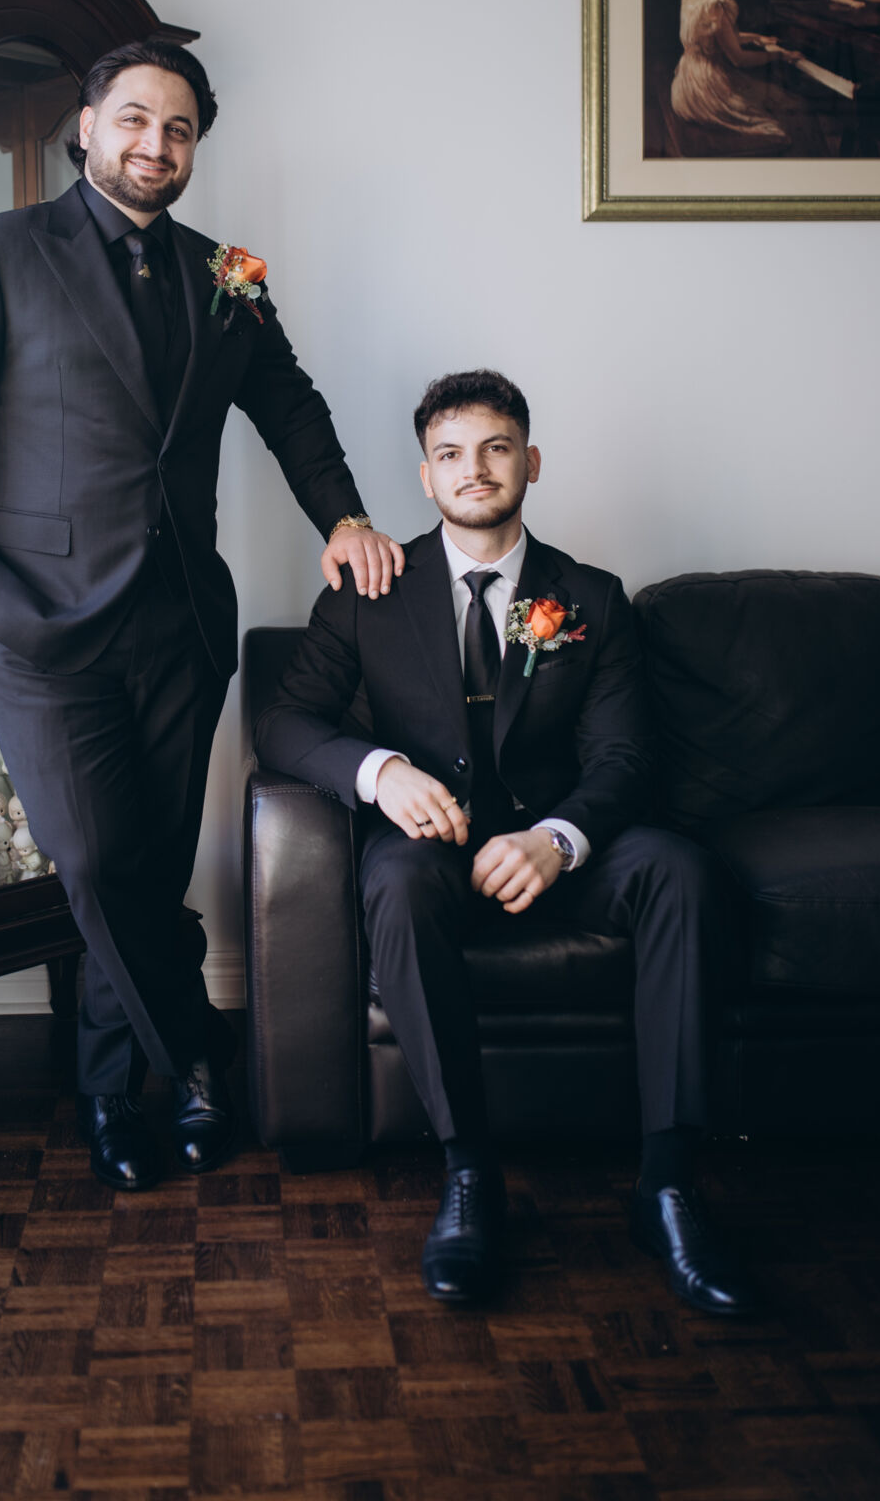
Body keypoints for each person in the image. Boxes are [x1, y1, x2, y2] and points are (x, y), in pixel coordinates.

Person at [0, 38, 401, 1193]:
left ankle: (114, 1091)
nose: (153, 144)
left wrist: (343, 516)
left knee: (149, 870)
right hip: (35, 627)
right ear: (86, 126)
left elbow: (289, 403)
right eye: (132, 119)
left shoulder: (227, 275)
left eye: (176, 129)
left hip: (180, 628)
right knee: (96, 858)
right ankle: (203, 1051)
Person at [255, 370, 756, 1314]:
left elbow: (625, 759)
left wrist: (558, 839)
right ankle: (469, 1173)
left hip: (565, 847)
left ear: (531, 461)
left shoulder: (592, 597)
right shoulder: (372, 591)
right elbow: (284, 722)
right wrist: (381, 773)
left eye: (494, 448)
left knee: (682, 872)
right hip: (433, 848)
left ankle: (668, 1182)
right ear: (426, 476)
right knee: (395, 884)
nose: (474, 469)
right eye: (450, 454)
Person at [670, 0, 805, 153]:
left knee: (779, 101)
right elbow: (738, 59)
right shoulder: (715, 1)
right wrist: (780, 56)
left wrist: (756, 38)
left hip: (686, 83)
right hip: (706, 91)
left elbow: (713, 40)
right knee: (782, 123)